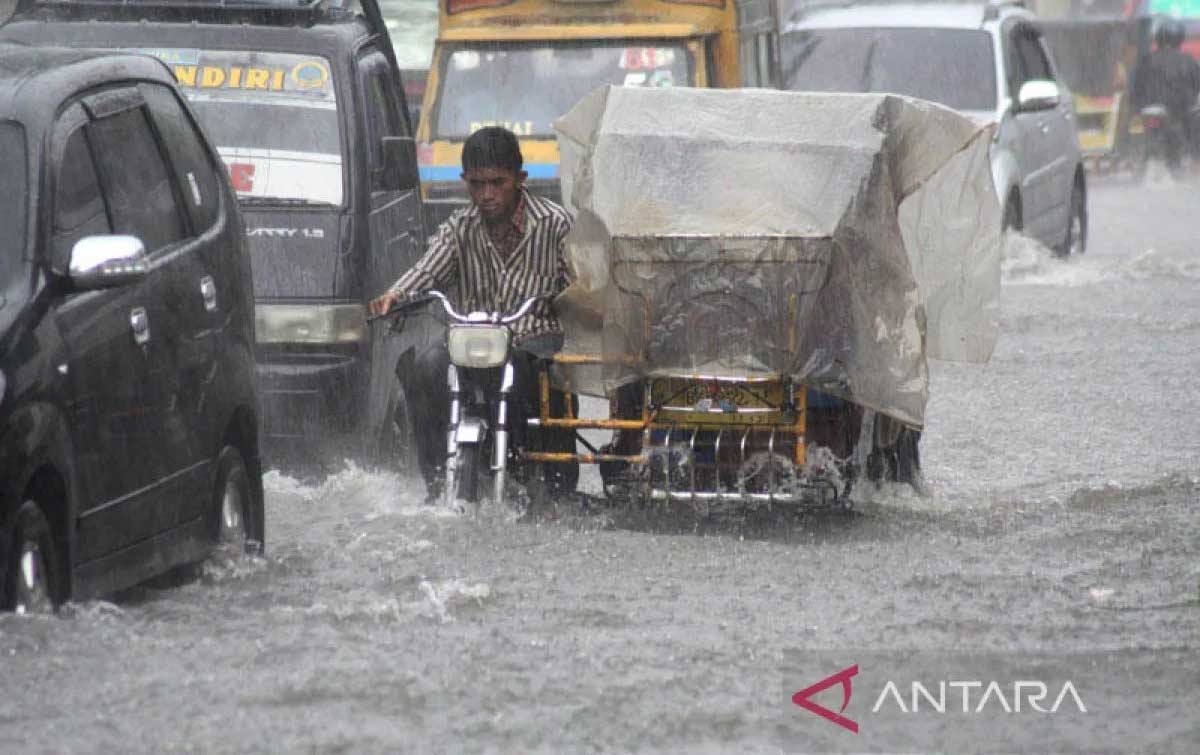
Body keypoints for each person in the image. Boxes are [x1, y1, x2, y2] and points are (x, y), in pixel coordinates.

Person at [369, 126, 576, 500]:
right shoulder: (459, 228)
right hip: (470, 340)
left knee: (551, 380)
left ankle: (552, 484)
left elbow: (580, 286)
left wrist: (576, 300)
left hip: (532, 341)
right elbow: (428, 268)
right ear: (465, 181)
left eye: (498, 183)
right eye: (477, 184)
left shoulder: (555, 224)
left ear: (520, 179)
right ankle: (435, 483)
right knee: (425, 369)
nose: (487, 195)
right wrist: (396, 296)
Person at [1131, 19, 1200, 175]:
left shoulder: (1145, 60)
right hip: (1179, 110)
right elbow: (1197, 84)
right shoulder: (1188, 60)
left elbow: (1135, 87)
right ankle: (1197, 162)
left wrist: (1137, 107)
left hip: (1148, 109)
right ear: (1179, 38)